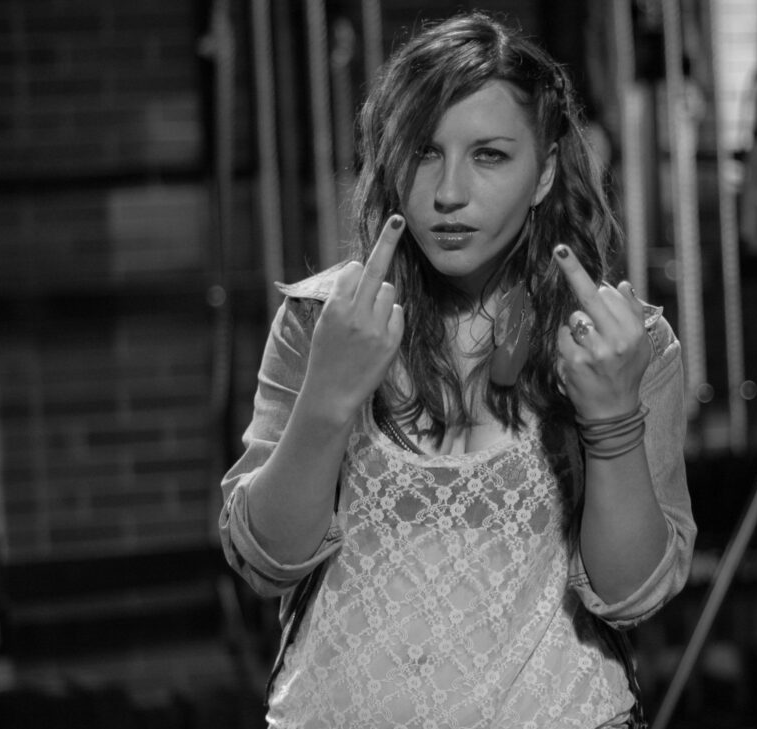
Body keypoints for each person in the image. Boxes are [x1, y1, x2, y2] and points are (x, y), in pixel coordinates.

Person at [219, 11, 695, 727]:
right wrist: (326, 398)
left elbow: (632, 595)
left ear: (544, 172)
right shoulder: (324, 323)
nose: (449, 192)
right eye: (423, 152)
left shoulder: (621, 343)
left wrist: (613, 421)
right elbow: (266, 562)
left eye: (490, 155)